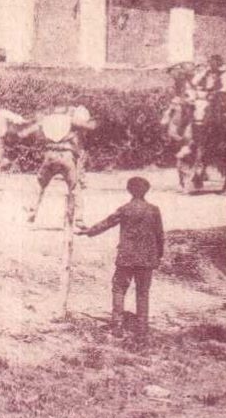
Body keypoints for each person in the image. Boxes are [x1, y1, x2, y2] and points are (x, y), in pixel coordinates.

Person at [77, 175, 164, 340]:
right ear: (147, 190)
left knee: (118, 289)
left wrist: (89, 231)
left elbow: (107, 223)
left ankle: (117, 326)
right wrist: (158, 256)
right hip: (146, 259)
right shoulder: (154, 210)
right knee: (143, 292)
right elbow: (160, 235)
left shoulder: (125, 209)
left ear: (129, 190)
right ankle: (142, 328)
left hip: (126, 257)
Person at [23, 104, 96, 225]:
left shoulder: (45, 120)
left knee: (40, 185)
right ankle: (79, 219)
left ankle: (32, 211)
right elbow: (90, 127)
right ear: (66, 110)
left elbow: (24, 133)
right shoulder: (70, 119)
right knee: (74, 187)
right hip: (66, 155)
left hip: (50, 155)